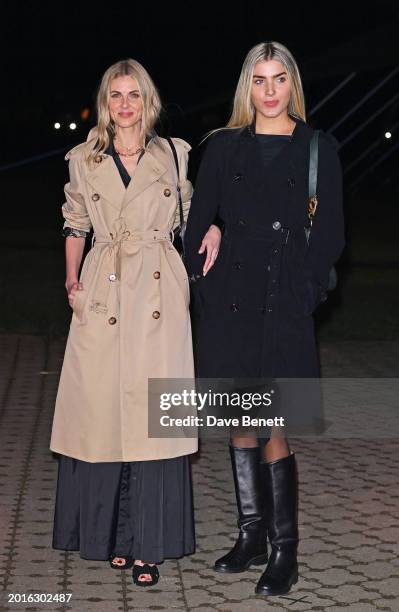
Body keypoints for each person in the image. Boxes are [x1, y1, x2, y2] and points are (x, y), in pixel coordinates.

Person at [50, 58, 221, 587]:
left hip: (157, 291)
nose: (125, 105)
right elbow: (75, 222)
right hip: (102, 291)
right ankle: (111, 537)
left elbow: (192, 210)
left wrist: (212, 226)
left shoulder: (173, 154)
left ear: (149, 102)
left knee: (155, 420)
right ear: (105, 104)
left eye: (135, 96)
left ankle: (150, 544)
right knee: (101, 417)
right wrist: (72, 284)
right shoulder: (82, 159)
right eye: (116, 96)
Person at [184, 41, 344, 596]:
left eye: (279, 79)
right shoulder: (223, 147)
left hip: (284, 299)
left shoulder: (318, 147)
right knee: (240, 421)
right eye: (259, 80)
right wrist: (206, 265)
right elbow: (198, 217)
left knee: (273, 422)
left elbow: (331, 235)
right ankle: (249, 536)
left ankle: (285, 551)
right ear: (246, 87)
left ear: (292, 85)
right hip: (231, 297)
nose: (270, 91)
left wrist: (304, 295)